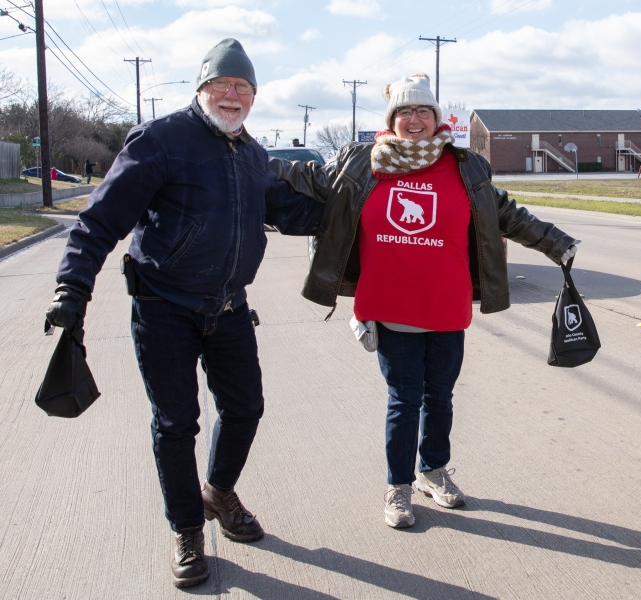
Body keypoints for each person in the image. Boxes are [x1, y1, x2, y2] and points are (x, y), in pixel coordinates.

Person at [45, 39, 323, 588]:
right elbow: (100, 220)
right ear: (201, 89)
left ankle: (217, 493)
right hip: (163, 307)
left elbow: (287, 211)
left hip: (229, 306)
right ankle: (187, 529)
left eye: (243, 87)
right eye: (222, 84)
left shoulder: (251, 153)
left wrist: (356, 204)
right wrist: (71, 289)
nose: (233, 94)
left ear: (253, 97)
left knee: (245, 409)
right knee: (176, 424)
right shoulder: (162, 140)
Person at [270, 73, 580, 529]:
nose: (413, 119)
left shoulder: (464, 167)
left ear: (436, 118)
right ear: (391, 119)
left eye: (422, 111)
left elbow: (506, 213)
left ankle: (432, 471)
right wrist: (239, 157)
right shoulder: (362, 163)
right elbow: (302, 175)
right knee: (404, 399)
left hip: (446, 306)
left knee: (441, 397)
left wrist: (557, 244)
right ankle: (398, 485)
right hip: (390, 307)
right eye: (404, 112)